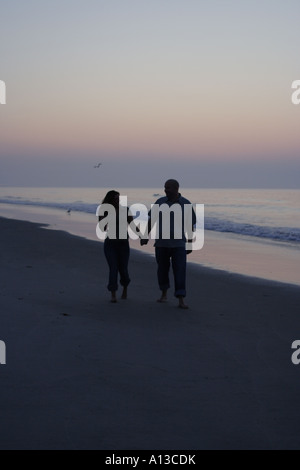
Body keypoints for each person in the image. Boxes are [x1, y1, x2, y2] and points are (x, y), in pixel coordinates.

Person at [141, 180, 196, 309]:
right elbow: (151, 220)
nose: (166, 190)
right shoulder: (160, 202)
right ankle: (164, 294)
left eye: (168, 188)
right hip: (161, 244)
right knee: (162, 270)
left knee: (180, 271)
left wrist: (189, 243)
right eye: (165, 188)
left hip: (179, 244)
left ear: (176, 188)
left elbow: (190, 226)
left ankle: (181, 298)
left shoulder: (186, 204)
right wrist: (145, 236)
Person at [98, 190, 134, 303]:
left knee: (123, 269)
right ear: (110, 200)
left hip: (123, 243)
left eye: (119, 198)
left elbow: (132, 224)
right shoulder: (105, 210)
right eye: (115, 198)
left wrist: (142, 236)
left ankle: (125, 288)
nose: (118, 200)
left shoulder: (125, 210)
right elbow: (102, 228)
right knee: (113, 268)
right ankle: (113, 294)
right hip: (110, 244)